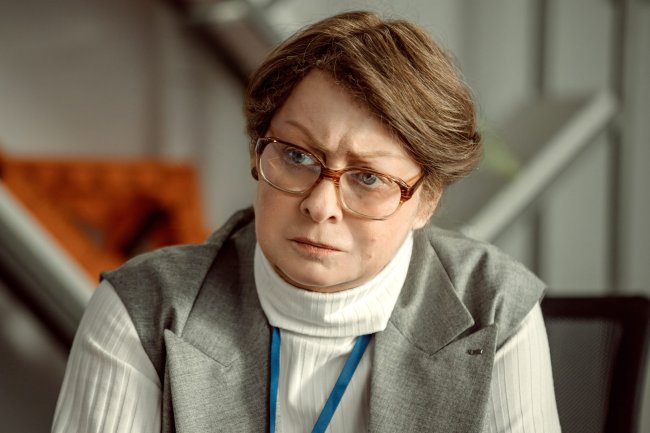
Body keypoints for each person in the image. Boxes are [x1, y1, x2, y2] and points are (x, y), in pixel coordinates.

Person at [52, 11, 561, 433]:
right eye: (296, 156)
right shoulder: (142, 310)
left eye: (368, 177)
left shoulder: (493, 307)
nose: (321, 205)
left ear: (425, 200)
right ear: (258, 153)